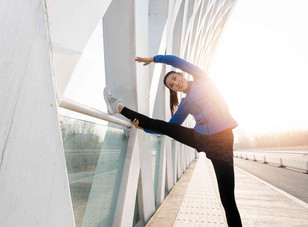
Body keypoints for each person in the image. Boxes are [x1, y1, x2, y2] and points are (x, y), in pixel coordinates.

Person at [103, 55, 242, 227]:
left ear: (182, 75)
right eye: (172, 85)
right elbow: (170, 127)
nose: (176, 84)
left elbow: (177, 61)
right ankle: (117, 107)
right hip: (201, 138)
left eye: (175, 79)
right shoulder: (185, 104)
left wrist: (154, 59)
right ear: (173, 90)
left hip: (223, 141)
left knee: (228, 199)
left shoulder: (202, 79)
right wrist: (144, 127)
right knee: (163, 126)